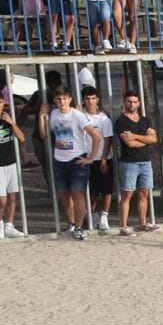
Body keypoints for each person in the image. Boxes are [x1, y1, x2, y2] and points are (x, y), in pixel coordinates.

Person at [41, 86, 101, 239]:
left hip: (76, 159)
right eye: (59, 99)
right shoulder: (53, 114)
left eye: (64, 98)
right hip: (59, 159)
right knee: (64, 195)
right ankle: (72, 223)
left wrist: (91, 158)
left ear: (70, 99)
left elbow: (96, 136)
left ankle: (80, 227)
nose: (62, 101)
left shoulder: (77, 115)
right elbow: (44, 135)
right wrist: (41, 117)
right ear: (55, 100)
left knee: (78, 194)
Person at [114, 90, 159, 237]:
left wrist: (135, 137)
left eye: (134, 102)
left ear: (139, 103)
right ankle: (124, 227)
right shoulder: (121, 121)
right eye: (129, 101)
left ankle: (143, 223)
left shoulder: (145, 120)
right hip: (129, 163)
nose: (132, 104)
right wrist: (144, 139)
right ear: (124, 102)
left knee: (144, 193)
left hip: (145, 162)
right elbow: (129, 143)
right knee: (127, 194)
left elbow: (154, 139)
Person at [81, 87, 116, 233]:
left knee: (107, 189)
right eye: (87, 99)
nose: (90, 102)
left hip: (103, 158)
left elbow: (108, 140)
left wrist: (103, 160)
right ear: (83, 100)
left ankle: (104, 216)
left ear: (98, 100)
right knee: (92, 191)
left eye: (93, 98)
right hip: (86, 157)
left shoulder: (104, 119)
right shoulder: (80, 115)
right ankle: (93, 215)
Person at [0, 92, 28, 237]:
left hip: (11, 163)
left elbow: (22, 138)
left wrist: (11, 123)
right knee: (1, 199)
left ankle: (9, 225)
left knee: (12, 197)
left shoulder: (7, 120)